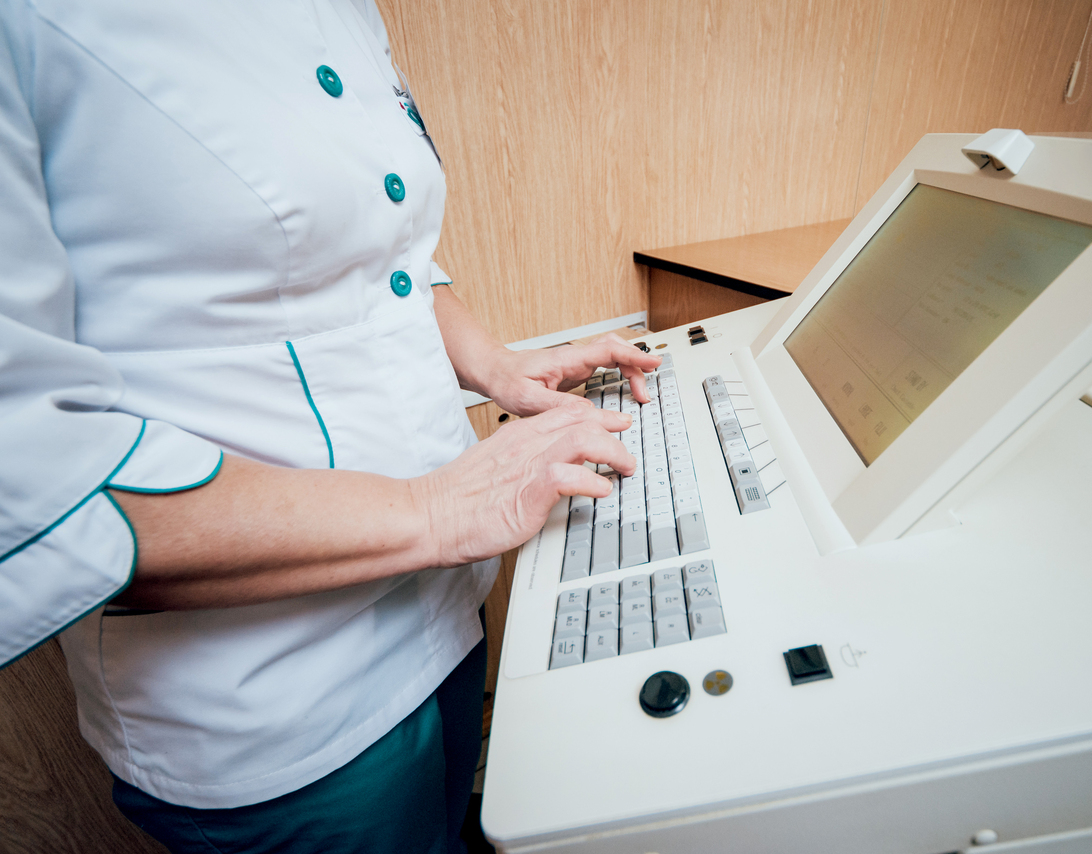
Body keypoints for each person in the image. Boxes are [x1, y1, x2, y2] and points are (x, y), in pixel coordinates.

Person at [0, 1, 660, 851]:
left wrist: (497, 368)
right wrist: (438, 512)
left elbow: (389, 254)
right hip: (277, 705)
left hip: (446, 611)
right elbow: (32, 479)